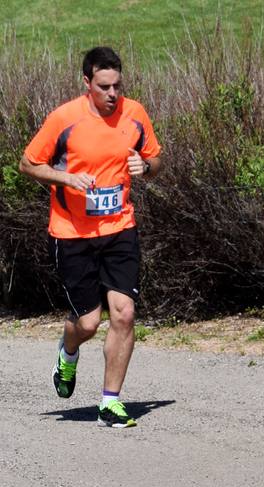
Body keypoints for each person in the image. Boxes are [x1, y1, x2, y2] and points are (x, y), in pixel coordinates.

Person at [20, 46, 162, 428]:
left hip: (119, 228)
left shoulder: (135, 114)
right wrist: (65, 178)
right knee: (87, 323)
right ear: (87, 83)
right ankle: (67, 353)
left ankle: (110, 402)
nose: (112, 94)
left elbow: (155, 160)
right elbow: (28, 163)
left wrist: (145, 166)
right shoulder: (64, 118)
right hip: (72, 232)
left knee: (125, 313)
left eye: (117, 85)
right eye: (103, 87)